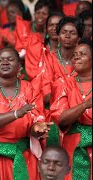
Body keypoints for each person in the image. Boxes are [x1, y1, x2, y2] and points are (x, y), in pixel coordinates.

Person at [0, 47, 52, 180]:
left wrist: (36, 130)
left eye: (10, 59)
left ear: (19, 66)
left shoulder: (30, 88)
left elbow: (37, 121)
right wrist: (16, 114)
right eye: (0, 60)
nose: (5, 62)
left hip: (22, 153)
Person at [50, 38, 92, 180]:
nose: (77, 57)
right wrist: (85, 105)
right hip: (73, 147)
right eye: (74, 54)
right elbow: (61, 118)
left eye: (82, 54)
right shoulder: (63, 83)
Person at [42, 16, 84, 107]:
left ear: (79, 38)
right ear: (58, 36)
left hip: (80, 110)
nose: (67, 36)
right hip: (54, 109)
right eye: (64, 32)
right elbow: (46, 95)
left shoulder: (84, 61)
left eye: (72, 33)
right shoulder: (49, 59)